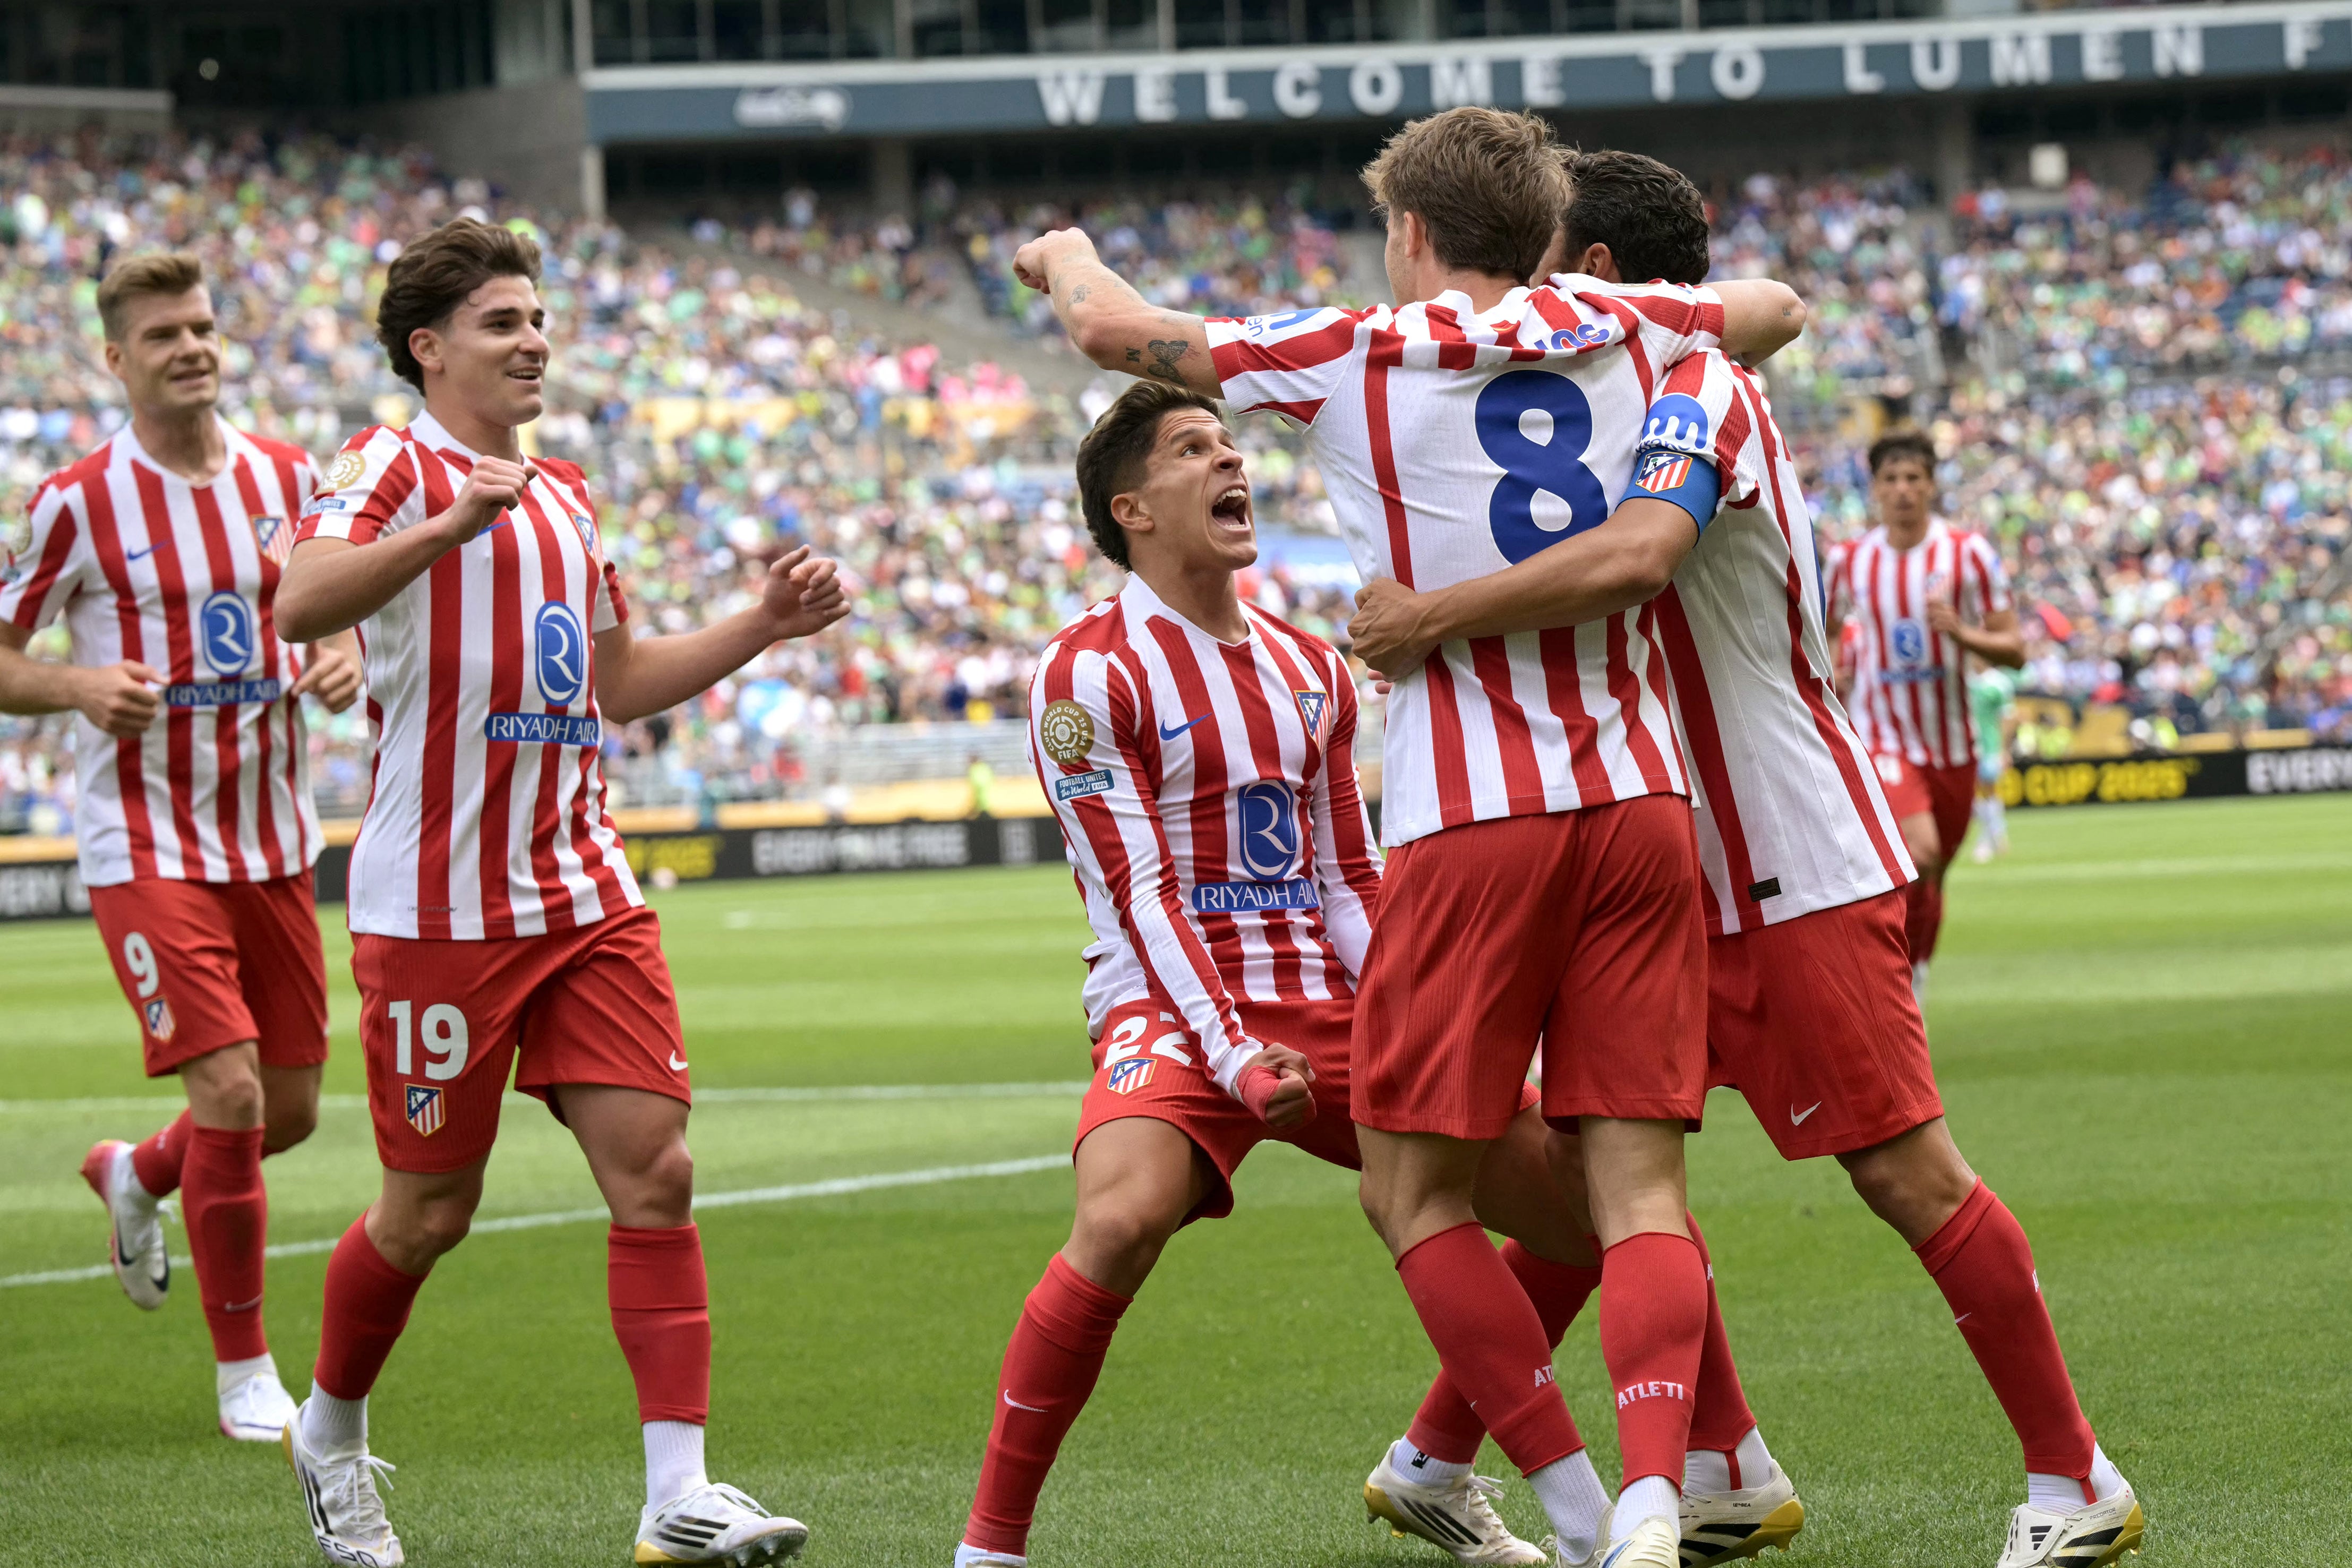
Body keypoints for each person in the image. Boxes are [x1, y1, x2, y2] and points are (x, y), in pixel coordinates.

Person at [1014, 107, 1806, 1568]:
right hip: (1637, 799)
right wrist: (1646, 311)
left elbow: (1111, 330)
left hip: (1469, 816)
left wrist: (1057, 251)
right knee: (1631, 1185)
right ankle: (1658, 1494)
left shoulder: (1357, 354)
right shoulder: (1629, 323)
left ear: (1416, 235)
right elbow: (1772, 308)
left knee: (1411, 1186)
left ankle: (1571, 1506)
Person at [1347, 148, 2142, 1568]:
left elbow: (1641, 553)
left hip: (1787, 859)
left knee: (1906, 1176)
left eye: (1541, 266)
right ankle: (1643, 1462)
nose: (1523, 301)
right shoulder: (1603, 390)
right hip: (1671, 863)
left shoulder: (1691, 391)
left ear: (1591, 278)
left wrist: (1429, 619)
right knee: (1606, 1173)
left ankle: (2072, 1475)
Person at [269, 218, 849, 1568]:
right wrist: (443, 522)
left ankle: (677, 1492)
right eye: (501, 323)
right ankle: (329, 1430)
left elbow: (614, 679)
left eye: (537, 319)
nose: (532, 340)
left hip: (583, 892)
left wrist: (761, 622)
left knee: (657, 1171)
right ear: (428, 347)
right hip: (437, 910)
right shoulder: (387, 463)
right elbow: (300, 600)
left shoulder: (571, 492)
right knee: (429, 1211)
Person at [958, 379, 1592, 1568]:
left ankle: (1436, 1469)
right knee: (1122, 1215)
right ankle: (989, 1550)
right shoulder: (1086, 674)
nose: (1229, 461)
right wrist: (1232, 1048)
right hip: (1169, 1000)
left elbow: (1350, 882)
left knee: (1581, 1211)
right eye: (1195, 449)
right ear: (1134, 508)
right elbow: (1139, 892)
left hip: (1327, 1001)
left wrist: (1428, 1016)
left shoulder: (1309, 668)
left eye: (1230, 443)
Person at [0, 252, 362, 1442]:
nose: (192, 348)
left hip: (272, 840)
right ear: (117, 359)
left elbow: (331, 609)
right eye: (163, 335)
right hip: (145, 840)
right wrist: (78, 684)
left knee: (289, 1112)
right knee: (234, 1090)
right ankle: (245, 1370)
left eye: (203, 327)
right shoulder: (79, 501)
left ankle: (136, 1174)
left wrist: (341, 653)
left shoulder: (288, 475)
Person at [1824, 430, 2025, 1001]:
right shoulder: (1850, 560)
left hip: (1953, 743)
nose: (1903, 490)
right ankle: (1892, 990)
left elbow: (2015, 649)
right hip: (1881, 736)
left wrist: (1960, 632)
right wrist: (1837, 669)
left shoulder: (1968, 554)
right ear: (1875, 490)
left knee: (1932, 872)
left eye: (1914, 478)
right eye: (1891, 479)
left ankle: (1916, 974)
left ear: (1932, 485)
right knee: (1919, 854)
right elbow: (1831, 631)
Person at [1968, 665, 2019, 862]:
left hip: (1990, 746)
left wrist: (2004, 750)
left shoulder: (1999, 682)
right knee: (1973, 793)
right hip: (1967, 746)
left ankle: (1988, 838)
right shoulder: (1966, 678)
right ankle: (1996, 833)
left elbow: (2008, 718)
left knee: (1988, 790)